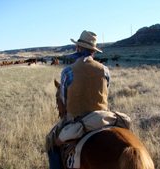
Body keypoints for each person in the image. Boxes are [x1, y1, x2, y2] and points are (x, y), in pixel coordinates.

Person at [46, 30, 110, 169]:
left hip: (76, 119)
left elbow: (64, 100)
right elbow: (106, 92)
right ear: (93, 52)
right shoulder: (105, 70)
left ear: (78, 48)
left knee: (51, 143)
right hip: (103, 117)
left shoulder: (67, 71)